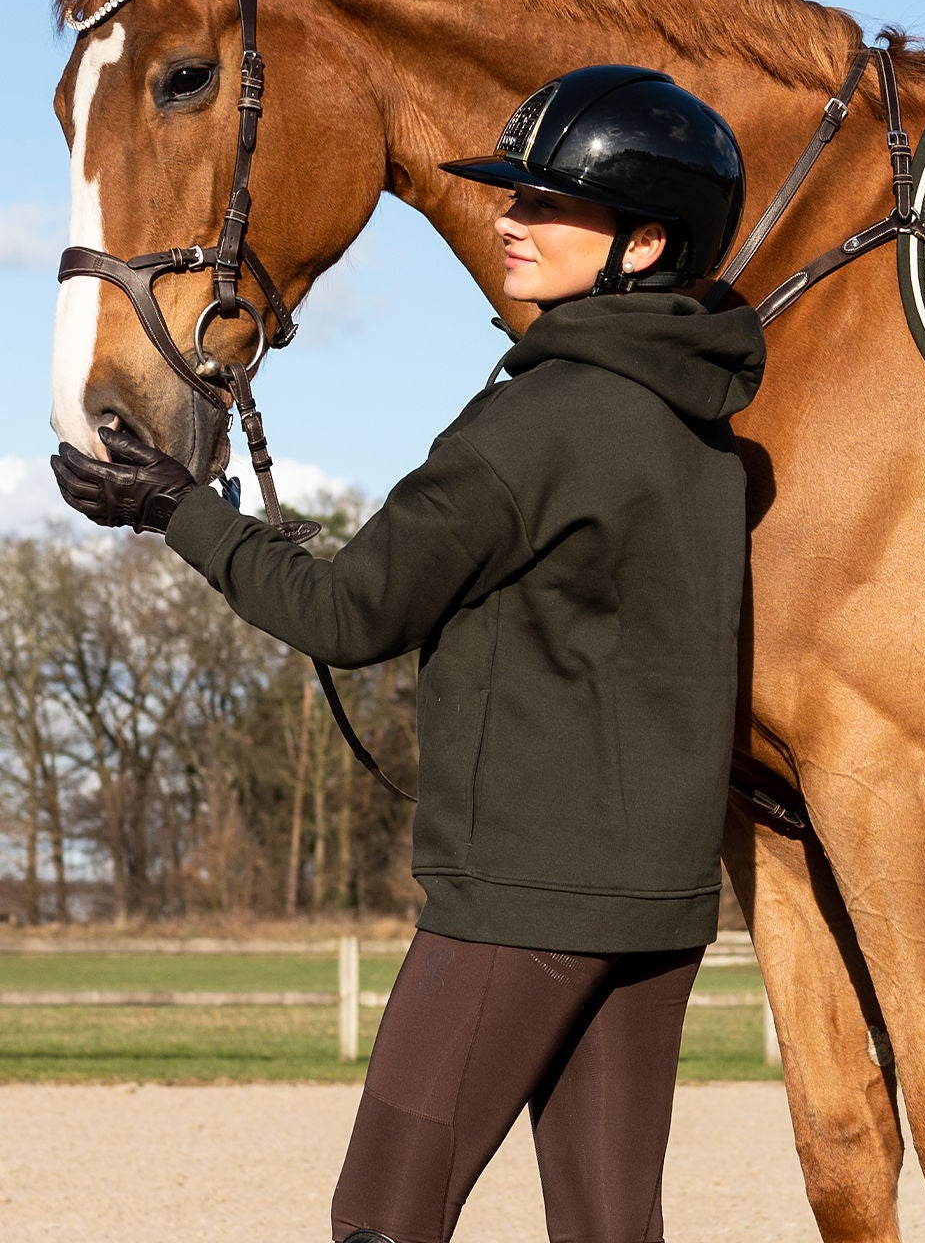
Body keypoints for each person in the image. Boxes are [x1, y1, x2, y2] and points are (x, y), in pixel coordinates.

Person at [52, 64, 766, 1243]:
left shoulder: (537, 421)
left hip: (518, 895)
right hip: (659, 900)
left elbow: (349, 613)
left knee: (383, 1219)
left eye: (546, 204)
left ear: (645, 242)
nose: (507, 218)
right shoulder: (703, 429)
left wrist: (176, 508)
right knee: (609, 1226)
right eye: (510, 196)